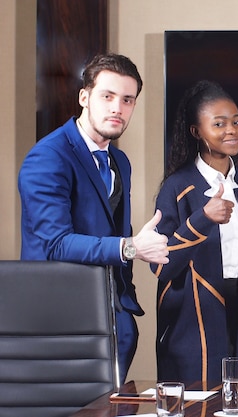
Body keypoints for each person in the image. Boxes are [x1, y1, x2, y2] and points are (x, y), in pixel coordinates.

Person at [18, 53, 170, 383]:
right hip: (60, 325)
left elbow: (112, 227)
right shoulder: (47, 157)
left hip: (114, 322)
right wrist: (130, 247)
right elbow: (56, 244)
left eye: (127, 100)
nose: (118, 108)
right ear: (84, 97)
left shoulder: (120, 162)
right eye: (108, 96)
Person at [150, 80, 238, 387]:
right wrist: (203, 219)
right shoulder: (176, 187)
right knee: (200, 401)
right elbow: (161, 266)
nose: (231, 130)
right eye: (219, 124)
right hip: (194, 318)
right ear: (196, 131)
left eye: (236, 122)